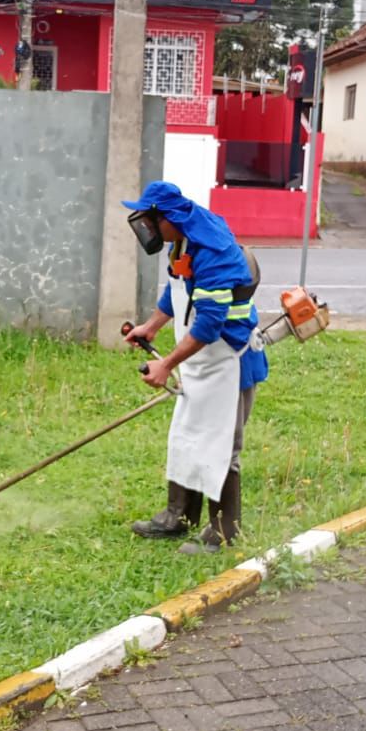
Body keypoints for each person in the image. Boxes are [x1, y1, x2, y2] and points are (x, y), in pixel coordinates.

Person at [121, 181, 268, 554]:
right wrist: (151, 326)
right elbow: (176, 289)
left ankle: (222, 533)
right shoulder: (181, 239)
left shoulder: (213, 250)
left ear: (168, 218)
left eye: (150, 220)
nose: (147, 229)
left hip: (228, 361)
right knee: (186, 434)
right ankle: (178, 517)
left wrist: (167, 364)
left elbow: (209, 322)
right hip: (202, 359)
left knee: (221, 446)